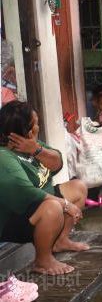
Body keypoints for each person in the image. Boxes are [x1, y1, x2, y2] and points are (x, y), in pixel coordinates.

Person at [0, 101, 88, 275]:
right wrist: (64, 204)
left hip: (39, 204)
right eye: (36, 123)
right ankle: (43, 260)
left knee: (78, 187)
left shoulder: (31, 144)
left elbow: (57, 163)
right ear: (28, 130)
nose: (39, 126)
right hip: (12, 220)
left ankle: (60, 241)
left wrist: (37, 149)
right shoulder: (4, 157)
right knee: (53, 207)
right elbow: (28, 193)